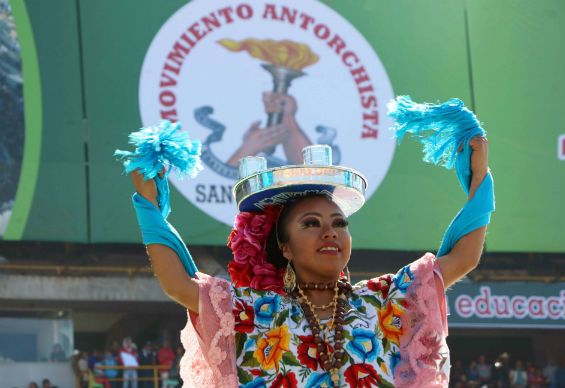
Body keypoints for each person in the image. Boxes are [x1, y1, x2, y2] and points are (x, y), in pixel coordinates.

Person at [123, 96, 494, 386]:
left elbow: (462, 256)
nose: (330, 231)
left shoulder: (383, 302)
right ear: (284, 246)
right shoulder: (255, 314)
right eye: (311, 223)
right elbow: (179, 283)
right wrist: (148, 207)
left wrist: (479, 176)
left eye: (339, 222)